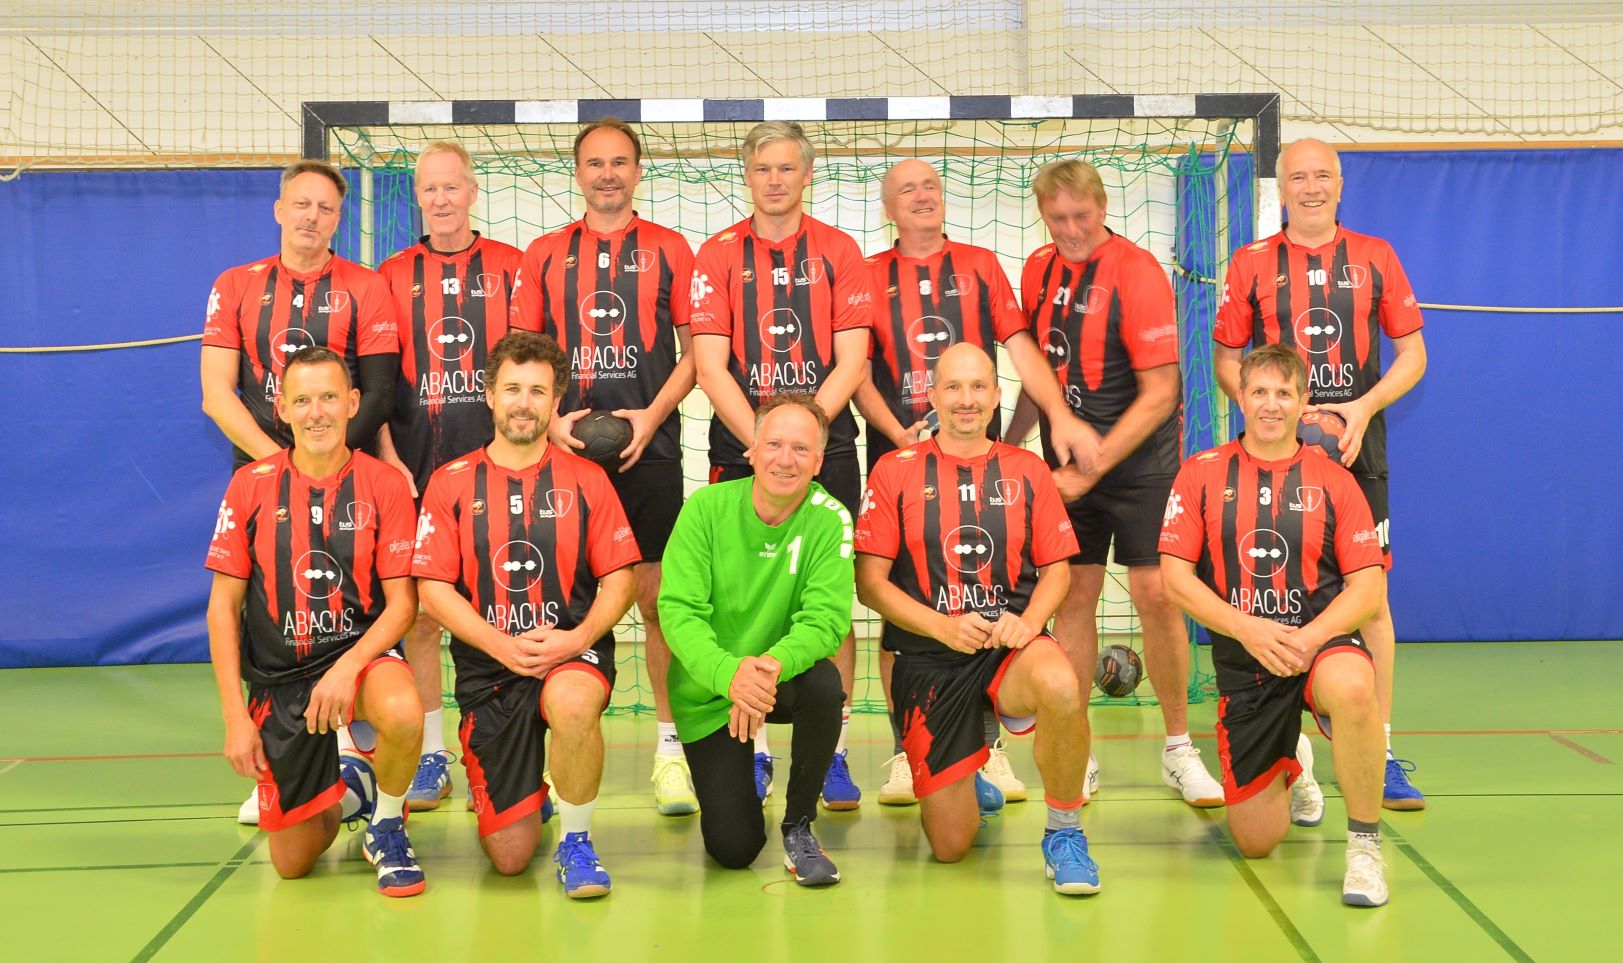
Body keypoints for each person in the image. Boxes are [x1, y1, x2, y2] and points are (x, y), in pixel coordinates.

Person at [857, 159, 1104, 808]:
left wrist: (1057, 418)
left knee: (994, 583)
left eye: (931, 186)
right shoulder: (868, 273)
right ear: (887, 208)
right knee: (905, 607)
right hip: (902, 453)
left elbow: (1024, 352)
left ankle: (989, 749)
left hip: (979, 452)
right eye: (906, 189)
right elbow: (854, 366)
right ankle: (907, 750)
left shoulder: (980, 266)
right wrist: (899, 433)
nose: (922, 196)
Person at [1213, 138, 1429, 811]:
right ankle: (1290, 751)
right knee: (1272, 593)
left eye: (1322, 176)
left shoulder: (1375, 255)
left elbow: (1413, 355)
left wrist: (1362, 407)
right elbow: (1226, 359)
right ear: (1280, 189)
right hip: (1272, 459)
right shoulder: (1250, 261)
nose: (1310, 187)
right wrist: (1274, 417)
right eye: (1297, 177)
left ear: (1340, 184)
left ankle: (1379, 748)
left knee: (1372, 599)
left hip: (1358, 453)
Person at [1010, 158, 1224, 808]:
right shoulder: (1037, 269)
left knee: (1157, 594)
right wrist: (1013, 446)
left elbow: (1161, 393)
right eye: (1057, 218)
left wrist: (1091, 467)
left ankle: (1178, 748)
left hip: (1139, 464)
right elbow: (1038, 370)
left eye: (1081, 215)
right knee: (1073, 594)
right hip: (1067, 464)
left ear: (1102, 208)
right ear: (1043, 216)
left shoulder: (1137, 272)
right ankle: (1077, 745)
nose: (1071, 229)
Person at [854, 343, 1099, 895]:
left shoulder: (1027, 469)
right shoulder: (894, 470)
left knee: (1061, 684)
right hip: (929, 657)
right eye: (953, 387)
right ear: (933, 395)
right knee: (950, 847)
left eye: (978, 387)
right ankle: (970, 776)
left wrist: (1029, 622)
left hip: (1009, 649)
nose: (966, 400)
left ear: (995, 396)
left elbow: (1057, 573)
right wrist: (941, 626)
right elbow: (869, 585)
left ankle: (1064, 832)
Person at [509, 118, 701, 817]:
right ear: (578, 173)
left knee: (658, 604)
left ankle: (671, 754)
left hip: (650, 451)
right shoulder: (544, 253)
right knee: (550, 600)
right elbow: (521, 356)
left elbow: (697, 352)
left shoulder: (670, 249)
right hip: (562, 459)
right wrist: (554, 422)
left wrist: (651, 415)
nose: (608, 174)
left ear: (638, 171)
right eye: (595, 163)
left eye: (620, 162)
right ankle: (534, 761)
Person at [204, 161, 401, 827]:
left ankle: (354, 749)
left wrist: (327, 464)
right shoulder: (236, 285)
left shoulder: (366, 287)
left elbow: (379, 392)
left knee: (352, 603)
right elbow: (216, 394)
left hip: (346, 471)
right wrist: (287, 467)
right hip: (265, 471)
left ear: (339, 219)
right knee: (270, 614)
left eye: (326, 207)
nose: (312, 216)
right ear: (279, 209)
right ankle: (273, 752)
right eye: (301, 203)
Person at [1160, 343, 1391, 907]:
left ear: (1304, 402)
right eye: (1259, 391)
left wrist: (1309, 639)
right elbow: (1174, 579)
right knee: (1257, 842)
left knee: (1354, 687)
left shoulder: (1334, 479)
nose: (1270, 405)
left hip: (1320, 642)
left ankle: (1364, 847)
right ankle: (1295, 760)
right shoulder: (1201, 474)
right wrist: (1248, 629)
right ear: (1239, 398)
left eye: (1283, 393)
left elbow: (1368, 589)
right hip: (1247, 658)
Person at [412, 331, 638, 897]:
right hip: (491, 665)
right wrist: (499, 645)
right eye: (512, 389)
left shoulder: (588, 479)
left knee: (573, 702)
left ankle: (578, 841)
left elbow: (621, 579)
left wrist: (577, 639)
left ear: (556, 401)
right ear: (489, 395)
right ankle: (528, 794)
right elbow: (432, 589)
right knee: (510, 859)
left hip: (571, 653)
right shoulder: (450, 482)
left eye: (538, 391)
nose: (523, 403)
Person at [690, 121, 874, 810]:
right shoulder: (716, 254)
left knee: (831, 599)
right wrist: (764, 444)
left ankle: (835, 753)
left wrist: (801, 441)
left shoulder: (839, 251)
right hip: (740, 446)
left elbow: (852, 359)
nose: (774, 180)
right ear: (747, 176)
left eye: (786, 168)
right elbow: (710, 366)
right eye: (762, 168)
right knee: (740, 598)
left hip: (826, 448)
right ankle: (757, 749)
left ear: (807, 174)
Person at [204, 346, 425, 897]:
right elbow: (222, 608)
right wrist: (234, 718)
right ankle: (353, 788)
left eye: (329, 397)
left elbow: (403, 604)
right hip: (282, 678)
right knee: (293, 863)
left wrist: (349, 667)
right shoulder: (250, 485)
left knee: (403, 711)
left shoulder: (384, 484)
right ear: (281, 409)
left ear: (352, 403)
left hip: (361, 659)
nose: (317, 412)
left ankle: (387, 826)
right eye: (302, 400)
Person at [375, 140, 526, 811]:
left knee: (501, 607)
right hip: (415, 472)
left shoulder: (511, 267)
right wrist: (388, 457)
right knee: (420, 618)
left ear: (472, 192)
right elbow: (376, 382)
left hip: (495, 473)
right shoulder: (390, 275)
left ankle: (501, 751)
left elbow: (528, 374)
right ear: (418, 198)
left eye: (451, 186)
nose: (440, 199)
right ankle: (432, 753)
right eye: (429, 189)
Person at [658, 395, 851, 885]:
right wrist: (730, 676)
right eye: (774, 444)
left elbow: (826, 621)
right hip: (710, 690)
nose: (786, 459)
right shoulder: (705, 508)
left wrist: (765, 668)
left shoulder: (830, 518)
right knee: (734, 849)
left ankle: (799, 824)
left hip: (774, 677)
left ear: (818, 461)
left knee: (824, 685)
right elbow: (678, 612)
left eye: (801, 449)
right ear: (751, 450)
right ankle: (744, 776)